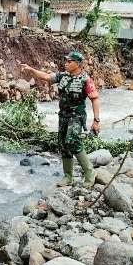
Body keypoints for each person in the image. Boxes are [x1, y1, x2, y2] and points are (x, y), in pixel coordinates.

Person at [22, 51, 100, 188]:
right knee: (63, 144)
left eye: (69, 62)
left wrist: (96, 120)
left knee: (73, 141)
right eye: (66, 61)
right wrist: (31, 69)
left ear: (78, 64)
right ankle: (68, 176)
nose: (66, 63)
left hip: (76, 115)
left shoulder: (85, 79)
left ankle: (90, 172)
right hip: (63, 115)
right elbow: (46, 76)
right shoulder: (62, 76)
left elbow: (94, 99)